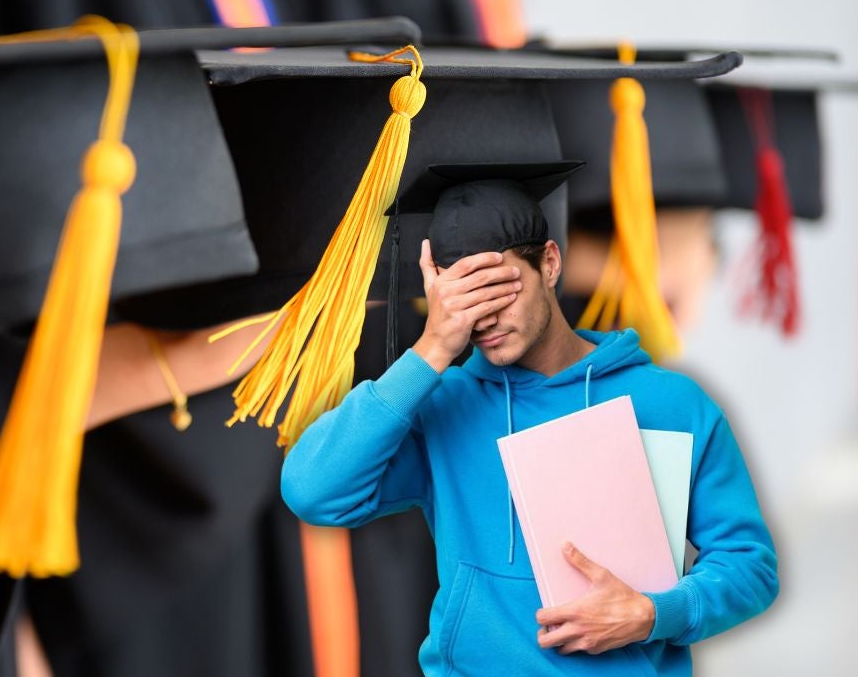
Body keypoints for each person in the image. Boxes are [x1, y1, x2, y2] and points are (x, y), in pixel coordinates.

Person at [279, 168, 779, 676]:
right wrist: (431, 350)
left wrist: (654, 614)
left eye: (499, 291)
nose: (486, 319)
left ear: (550, 263)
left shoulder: (673, 403)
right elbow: (313, 491)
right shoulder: (441, 407)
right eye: (466, 304)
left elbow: (749, 565)